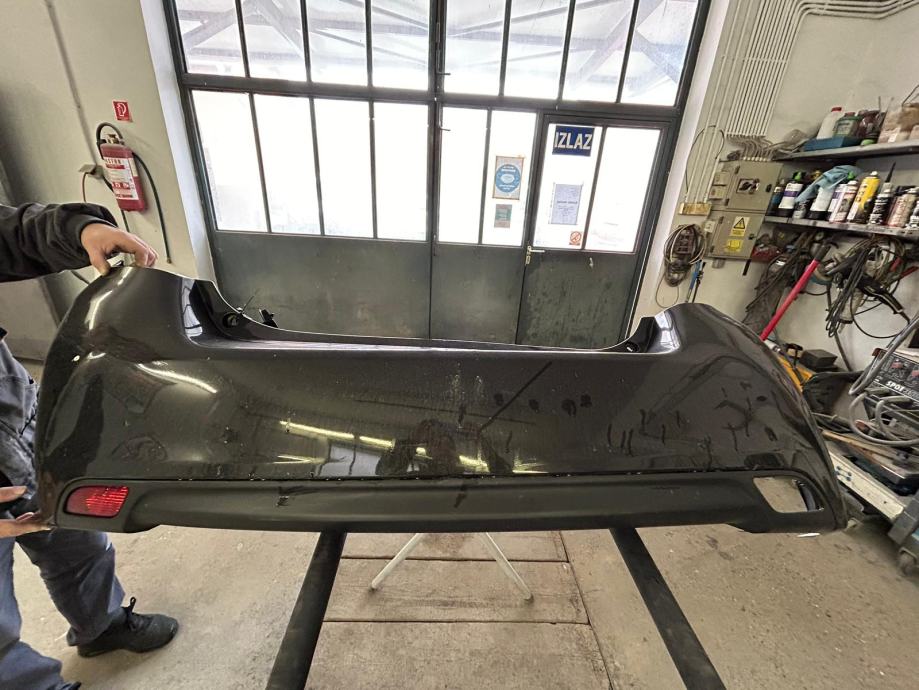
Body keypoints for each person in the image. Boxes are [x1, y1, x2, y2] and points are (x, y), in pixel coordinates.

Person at [0, 202, 177, 690]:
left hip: (15, 428)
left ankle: (101, 625)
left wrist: (80, 229)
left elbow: (11, 231)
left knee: (77, 537)